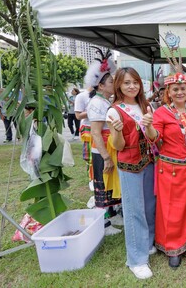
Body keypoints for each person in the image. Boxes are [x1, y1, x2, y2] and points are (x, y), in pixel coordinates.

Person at [107, 67, 156, 280]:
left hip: (149, 162)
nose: (132, 86)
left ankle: (148, 244)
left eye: (135, 82)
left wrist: (150, 125)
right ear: (118, 85)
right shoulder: (114, 111)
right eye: (127, 83)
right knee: (134, 210)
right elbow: (118, 146)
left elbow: (153, 137)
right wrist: (117, 130)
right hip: (129, 166)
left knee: (150, 206)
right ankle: (136, 260)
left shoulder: (146, 105)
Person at [151, 58, 186, 269]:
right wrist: (147, 128)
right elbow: (155, 137)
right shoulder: (161, 113)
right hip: (169, 169)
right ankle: (172, 246)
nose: (179, 92)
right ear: (168, 92)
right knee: (170, 209)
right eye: (175, 89)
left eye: (182, 89)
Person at [85, 49, 122, 236]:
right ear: (100, 86)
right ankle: (103, 224)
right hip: (102, 151)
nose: (113, 84)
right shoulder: (97, 104)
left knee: (109, 184)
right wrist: (106, 157)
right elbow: (96, 133)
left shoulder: (105, 101)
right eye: (110, 82)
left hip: (110, 149)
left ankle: (112, 214)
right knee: (101, 185)